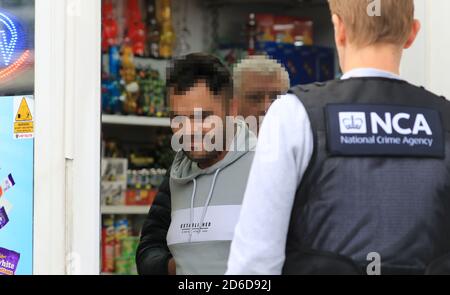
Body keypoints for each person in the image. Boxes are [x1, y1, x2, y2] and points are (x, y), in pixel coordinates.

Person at [227, 0, 450, 275]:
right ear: (412, 34)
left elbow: (254, 264)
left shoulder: (293, 114)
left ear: (339, 28)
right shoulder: (445, 120)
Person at [136, 54, 290, 275]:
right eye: (178, 118)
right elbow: (149, 249)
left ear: (232, 110)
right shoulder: (177, 174)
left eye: (203, 117)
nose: (189, 130)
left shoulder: (270, 167)